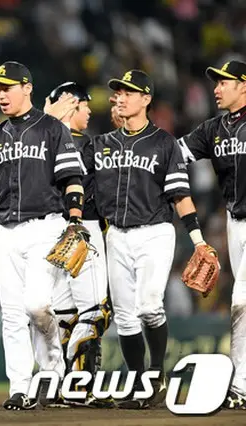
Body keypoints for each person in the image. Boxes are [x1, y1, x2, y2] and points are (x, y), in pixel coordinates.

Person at [82, 70, 214, 409]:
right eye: (118, 92)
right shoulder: (102, 144)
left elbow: (180, 195)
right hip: (116, 236)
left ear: (146, 99)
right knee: (125, 316)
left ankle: (156, 373)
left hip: (154, 233)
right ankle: (141, 383)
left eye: (129, 92)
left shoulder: (164, 143)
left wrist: (198, 240)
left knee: (149, 306)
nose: (120, 97)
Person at [0, 61, 86, 410]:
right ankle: (20, 387)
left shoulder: (53, 128)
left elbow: (71, 177)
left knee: (36, 306)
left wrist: (76, 219)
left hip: (45, 225)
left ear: (27, 87)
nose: (1, 94)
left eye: (8, 87)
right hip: (7, 230)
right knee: (11, 314)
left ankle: (52, 367)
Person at [176, 60, 246, 409]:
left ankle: (241, 385)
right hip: (236, 221)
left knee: (241, 300)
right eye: (215, 83)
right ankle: (242, 386)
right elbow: (173, 154)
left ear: (244, 85)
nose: (216, 88)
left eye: (224, 82)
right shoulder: (213, 129)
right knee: (242, 301)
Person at [44, 82, 113, 408]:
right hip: (81, 226)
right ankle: (81, 388)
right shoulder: (88, 146)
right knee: (95, 311)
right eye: (85, 106)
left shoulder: (38, 141)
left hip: (47, 231)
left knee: (64, 312)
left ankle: (58, 381)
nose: (89, 112)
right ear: (72, 106)